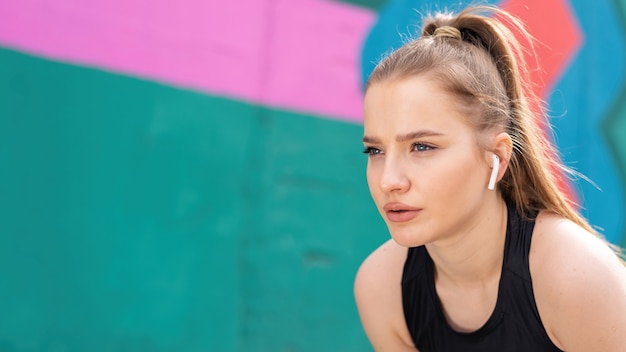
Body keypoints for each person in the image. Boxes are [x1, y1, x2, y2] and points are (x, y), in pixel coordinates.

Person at [354, 5, 626, 352]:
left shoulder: (574, 276)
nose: (389, 180)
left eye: (421, 146)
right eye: (375, 151)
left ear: (497, 156)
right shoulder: (383, 287)